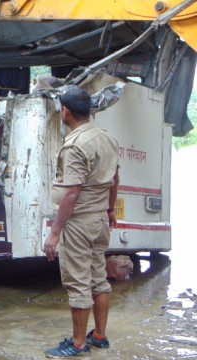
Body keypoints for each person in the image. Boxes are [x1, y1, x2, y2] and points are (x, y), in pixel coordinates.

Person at [43, 88, 120, 357]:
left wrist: (55, 232)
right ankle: (99, 335)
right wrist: (110, 210)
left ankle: (77, 344)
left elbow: (72, 192)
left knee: (77, 282)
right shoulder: (108, 138)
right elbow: (114, 179)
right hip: (99, 219)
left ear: (65, 111)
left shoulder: (76, 145)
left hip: (78, 223)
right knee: (98, 279)